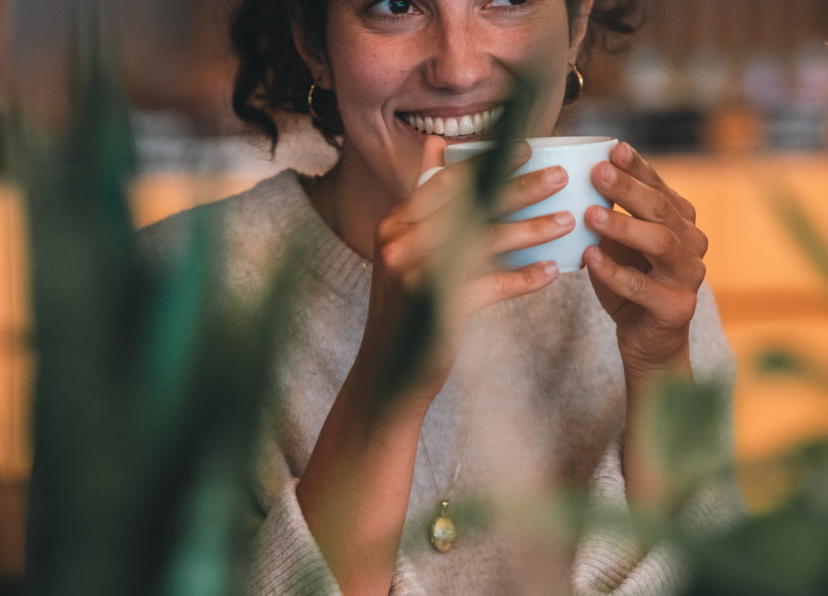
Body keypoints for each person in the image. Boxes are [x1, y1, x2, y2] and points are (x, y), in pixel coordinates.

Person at [140, 0, 742, 593]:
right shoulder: (175, 292)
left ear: (575, 26)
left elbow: (723, 575)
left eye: (506, 1)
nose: (459, 69)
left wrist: (660, 369)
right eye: (395, 5)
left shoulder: (645, 283)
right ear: (313, 41)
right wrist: (387, 379)